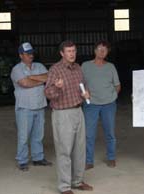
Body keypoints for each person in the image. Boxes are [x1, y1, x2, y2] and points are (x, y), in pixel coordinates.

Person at [45, 40, 93, 194]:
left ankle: (77, 181)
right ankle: (64, 186)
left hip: (78, 111)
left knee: (80, 149)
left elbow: (84, 85)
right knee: (64, 150)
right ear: (62, 53)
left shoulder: (78, 68)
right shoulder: (55, 70)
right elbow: (48, 93)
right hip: (63, 114)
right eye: (69, 51)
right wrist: (56, 88)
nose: (72, 54)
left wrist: (86, 93)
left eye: (74, 51)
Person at [10, 42, 52, 171]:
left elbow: (49, 77)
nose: (31, 56)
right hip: (24, 108)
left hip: (39, 105)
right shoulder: (16, 69)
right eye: (27, 54)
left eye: (31, 53)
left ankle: (37, 158)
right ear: (20, 55)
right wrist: (40, 81)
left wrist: (32, 77)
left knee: (38, 135)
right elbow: (25, 83)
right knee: (23, 136)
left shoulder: (39, 66)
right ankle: (22, 160)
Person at [81, 40, 121, 170]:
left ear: (107, 52)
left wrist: (112, 96)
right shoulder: (85, 66)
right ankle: (89, 160)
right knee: (89, 134)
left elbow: (117, 85)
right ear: (94, 51)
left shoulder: (111, 67)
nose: (102, 51)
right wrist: (83, 93)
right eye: (99, 49)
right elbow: (79, 83)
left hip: (109, 104)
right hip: (91, 104)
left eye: (105, 49)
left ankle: (111, 157)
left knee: (110, 132)